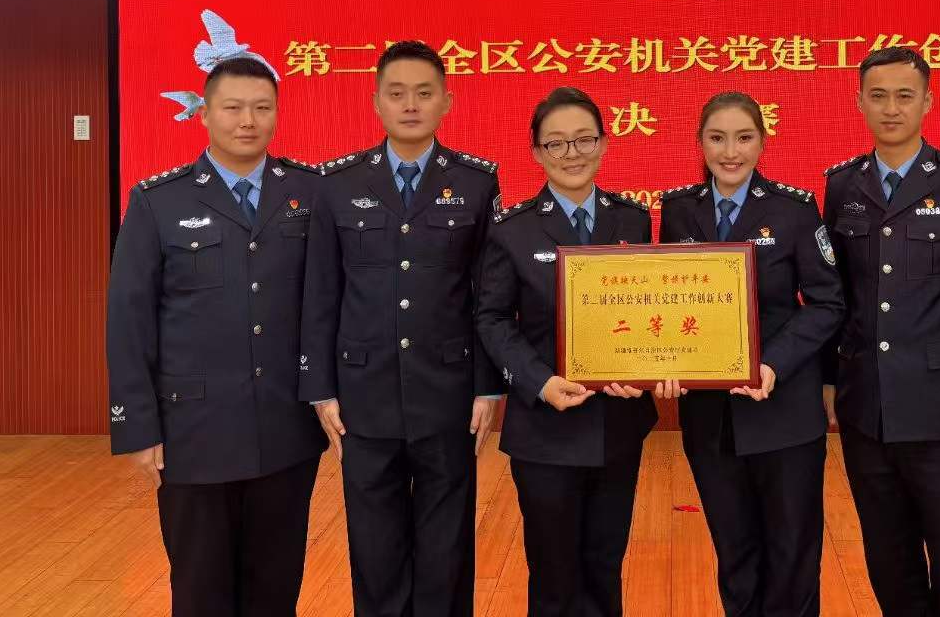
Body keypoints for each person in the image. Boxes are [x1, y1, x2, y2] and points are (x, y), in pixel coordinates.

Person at [106, 57, 326, 617]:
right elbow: (129, 318)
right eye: (232, 107)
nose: (247, 120)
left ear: (277, 113)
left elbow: (328, 302)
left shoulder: (308, 192)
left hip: (285, 428)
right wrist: (137, 425)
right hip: (193, 433)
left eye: (261, 107)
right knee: (200, 588)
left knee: (276, 588)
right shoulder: (158, 200)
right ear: (204, 114)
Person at [299, 40, 502, 617]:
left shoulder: (476, 182)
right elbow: (321, 292)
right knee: (375, 546)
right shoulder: (336, 184)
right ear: (376, 103)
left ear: (447, 102)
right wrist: (320, 389)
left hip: (449, 391)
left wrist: (489, 386)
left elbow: (487, 294)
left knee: (447, 545)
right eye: (397, 93)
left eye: (424, 93)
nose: (410, 105)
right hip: (363, 394)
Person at [821, 46, 940, 617]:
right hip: (866, 407)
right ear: (858, 102)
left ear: (928, 102)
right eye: (878, 96)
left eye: (905, 96)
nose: (891, 109)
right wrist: (831, 381)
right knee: (888, 558)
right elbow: (835, 297)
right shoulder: (842, 185)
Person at [655, 91, 844, 617]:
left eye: (743, 138)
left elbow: (827, 302)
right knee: (734, 553)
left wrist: (773, 362)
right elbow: (666, 300)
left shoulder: (793, 209)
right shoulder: (679, 211)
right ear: (700, 143)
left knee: (792, 553)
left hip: (783, 411)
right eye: (717, 138)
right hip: (710, 418)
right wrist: (663, 363)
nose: (730, 151)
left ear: (762, 142)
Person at [476, 86, 657, 617]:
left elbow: (653, 306)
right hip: (545, 429)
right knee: (553, 574)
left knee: (605, 565)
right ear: (536, 152)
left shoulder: (633, 220)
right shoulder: (512, 229)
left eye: (583, 140)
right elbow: (492, 318)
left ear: (604, 143)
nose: (571, 153)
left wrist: (650, 368)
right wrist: (540, 382)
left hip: (618, 422)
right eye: (556, 143)